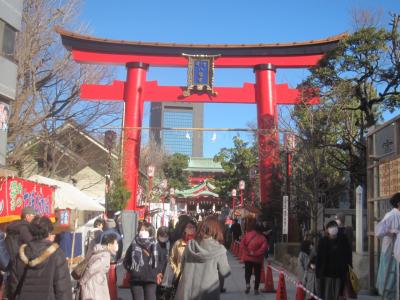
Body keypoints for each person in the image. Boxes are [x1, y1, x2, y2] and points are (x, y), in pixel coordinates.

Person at [15, 216, 72, 300]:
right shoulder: (56, 254)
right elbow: (63, 289)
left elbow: (13, 284)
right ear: (48, 233)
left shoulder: (22, 253)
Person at [175, 216, 231, 300]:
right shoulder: (219, 249)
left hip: (188, 292)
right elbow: (225, 272)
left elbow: (182, 266)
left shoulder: (190, 245)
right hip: (208, 293)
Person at [123, 221, 166, 300]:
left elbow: (162, 260)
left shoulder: (155, 244)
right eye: (141, 230)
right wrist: (132, 270)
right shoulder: (134, 243)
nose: (142, 232)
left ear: (150, 231)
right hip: (136, 280)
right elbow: (126, 261)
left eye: (145, 230)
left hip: (151, 279)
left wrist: (158, 271)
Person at [316, 220, 352, 300]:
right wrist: (318, 273)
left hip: (340, 275)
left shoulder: (343, 239)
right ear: (327, 230)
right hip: (326, 275)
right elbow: (319, 258)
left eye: (334, 226)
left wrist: (349, 268)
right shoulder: (323, 241)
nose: (333, 229)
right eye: (331, 227)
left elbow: (348, 255)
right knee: (327, 296)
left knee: (339, 296)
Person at [5, 206, 36, 299]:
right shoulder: (24, 228)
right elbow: (32, 244)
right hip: (20, 262)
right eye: (32, 215)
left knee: (12, 287)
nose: (34, 217)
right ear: (27, 216)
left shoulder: (13, 227)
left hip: (10, 260)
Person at [375, 192, 400, 298]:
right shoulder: (390, 215)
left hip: (398, 248)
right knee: (388, 274)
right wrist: (391, 232)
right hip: (390, 248)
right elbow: (379, 231)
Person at [80, 234, 119, 300]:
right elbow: (92, 270)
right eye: (115, 243)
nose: (117, 245)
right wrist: (82, 281)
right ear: (109, 245)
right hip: (95, 287)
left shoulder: (98, 251)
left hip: (93, 284)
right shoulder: (105, 255)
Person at [240, 218, 268, 295]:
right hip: (258, 259)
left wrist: (248, 252)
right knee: (257, 273)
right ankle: (256, 289)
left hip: (248, 258)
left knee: (247, 272)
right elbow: (263, 249)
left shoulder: (247, 235)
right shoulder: (263, 238)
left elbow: (242, 245)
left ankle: (247, 284)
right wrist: (255, 253)